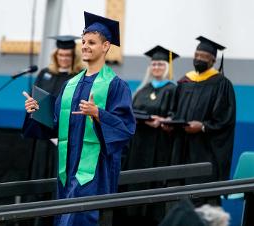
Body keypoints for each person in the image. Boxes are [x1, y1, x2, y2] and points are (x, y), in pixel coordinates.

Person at [23, 11, 136, 226]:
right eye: (83, 42)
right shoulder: (70, 85)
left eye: (92, 42)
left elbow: (126, 130)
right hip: (67, 170)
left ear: (106, 46)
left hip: (94, 172)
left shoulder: (116, 85)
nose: (85, 46)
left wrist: (98, 115)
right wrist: (36, 111)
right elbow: (55, 126)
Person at [167, 36, 236, 198]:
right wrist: (170, 121)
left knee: (201, 199)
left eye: (203, 57)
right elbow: (174, 110)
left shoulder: (222, 84)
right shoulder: (185, 82)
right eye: (196, 55)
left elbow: (225, 120)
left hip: (204, 151)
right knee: (177, 195)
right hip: (182, 149)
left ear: (213, 60)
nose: (198, 59)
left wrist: (203, 126)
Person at [122, 46, 179, 225]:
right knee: (135, 183)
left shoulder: (173, 89)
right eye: (154, 64)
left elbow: (176, 116)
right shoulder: (142, 89)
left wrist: (163, 120)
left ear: (167, 67)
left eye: (160, 65)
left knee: (153, 185)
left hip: (159, 145)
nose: (156, 68)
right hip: (138, 145)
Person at [27, 35, 84, 181]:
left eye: (67, 55)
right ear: (55, 55)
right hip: (43, 135)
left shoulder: (78, 77)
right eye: (60, 55)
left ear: (73, 56)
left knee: (60, 177)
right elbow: (36, 99)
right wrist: (31, 106)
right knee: (40, 176)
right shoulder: (45, 74)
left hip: (65, 138)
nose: (64, 58)